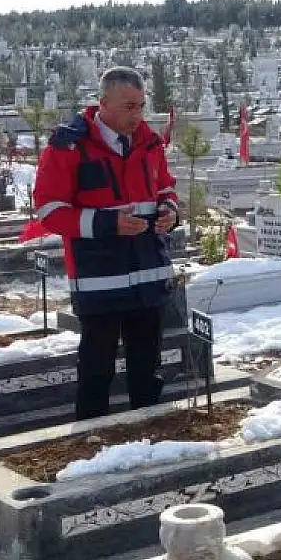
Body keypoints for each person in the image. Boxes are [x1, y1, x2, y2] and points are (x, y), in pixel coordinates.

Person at [33, 67, 180, 420]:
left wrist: (170, 211)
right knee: (97, 373)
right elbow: (49, 210)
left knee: (147, 370)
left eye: (142, 106)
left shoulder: (149, 143)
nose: (138, 115)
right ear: (104, 104)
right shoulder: (68, 146)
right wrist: (107, 223)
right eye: (129, 106)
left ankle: (149, 439)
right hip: (99, 280)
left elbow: (165, 187)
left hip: (148, 277)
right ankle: (91, 445)